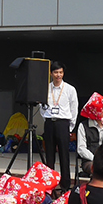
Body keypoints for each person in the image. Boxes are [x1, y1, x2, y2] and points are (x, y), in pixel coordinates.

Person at [40, 62, 79, 191]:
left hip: (63, 123)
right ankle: (50, 185)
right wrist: (47, 116)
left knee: (64, 154)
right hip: (50, 122)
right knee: (49, 155)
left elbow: (74, 109)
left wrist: (70, 126)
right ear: (51, 73)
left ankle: (65, 185)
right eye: (56, 72)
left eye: (61, 72)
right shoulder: (46, 88)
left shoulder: (69, 89)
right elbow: (41, 106)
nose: (58, 75)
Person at [76, 93, 103, 180]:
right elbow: (81, 149)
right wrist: (97, 159)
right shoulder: (84, 125)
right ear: (95, 109)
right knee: (98, 168)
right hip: (90, 161)